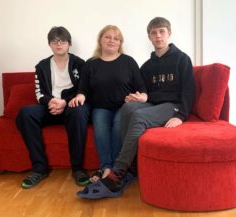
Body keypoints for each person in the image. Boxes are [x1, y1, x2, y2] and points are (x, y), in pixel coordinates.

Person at [77, 17, 195, 199]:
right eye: (154, 32)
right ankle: (131, 167)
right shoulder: (147, 66)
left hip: (172, 106)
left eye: (162, 31)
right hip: (153, 105)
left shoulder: (182, 59)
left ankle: (117, 172)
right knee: (128, 108)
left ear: (169, 33)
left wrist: (181, 115)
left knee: (138, 117)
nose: (158, 36)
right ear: (149, 36)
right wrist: (140, 97)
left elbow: (188, 90)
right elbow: (145, 92)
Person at [69, 25, 146, 183]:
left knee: (118, 127)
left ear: (120, 43)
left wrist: (141, 96)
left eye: (116, 38)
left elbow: (142, 88)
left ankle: (116, 168)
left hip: (123, 107)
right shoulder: (91, 64)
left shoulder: (129, 62)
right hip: (100, 107)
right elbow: (83, 88)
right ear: (100, 40)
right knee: (101, 130)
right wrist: (80, 96)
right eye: (108, 37)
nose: (112, 40)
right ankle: (106, 167)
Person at [16, 26, 90, 189]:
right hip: (50, 106)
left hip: (71, 105)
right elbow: (38, 92)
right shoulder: (41, 66)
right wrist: (50, 102)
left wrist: (65, 101)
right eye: (54, 41)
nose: (58, 45)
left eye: (62, 41)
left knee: (79, 112)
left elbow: (84, 89)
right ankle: (40, 169)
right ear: (49, 44)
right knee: (25, 113)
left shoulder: (80, 63)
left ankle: (77, 169)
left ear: (69, 44)